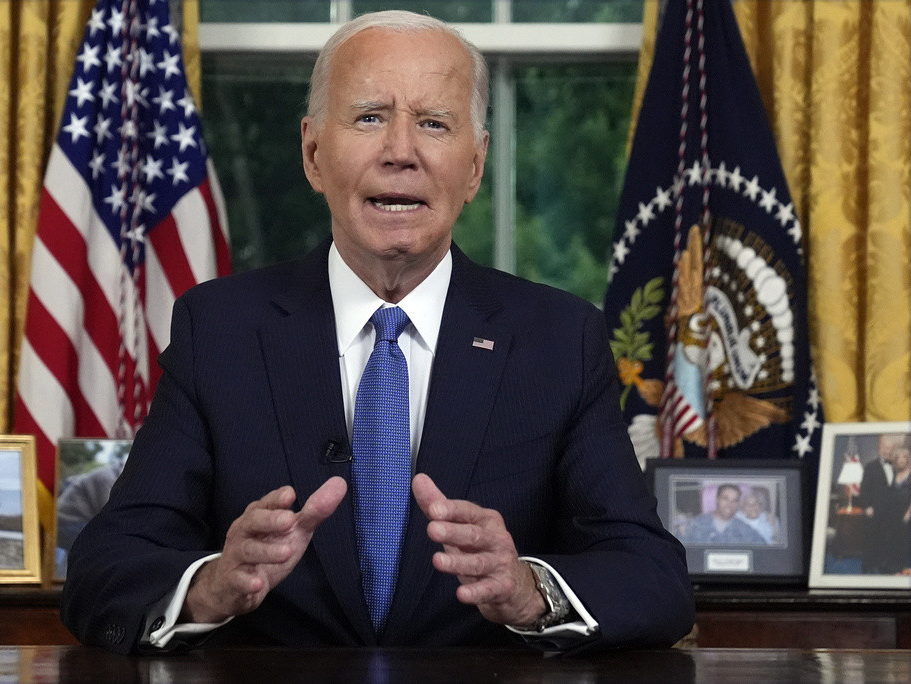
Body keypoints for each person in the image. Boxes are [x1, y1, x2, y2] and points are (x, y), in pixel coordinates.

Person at [62, 10, 693, 655]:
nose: (400, 152)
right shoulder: (219, 329)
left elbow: (653, 577)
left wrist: (532, 591)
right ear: (313, 153)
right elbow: (105, 566)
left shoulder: (560, 339)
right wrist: (211, 585)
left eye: (434, 124)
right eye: (369, 117)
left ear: (475, 167)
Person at [859, 433, 906, 573]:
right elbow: (864, 490)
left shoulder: (897, 467)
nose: (888, 451)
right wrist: (867, 507)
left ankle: (887, 566)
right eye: (885, 448)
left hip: (893, 512)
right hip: (876, 512)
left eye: (891, 449)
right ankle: (868, 567)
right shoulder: (870, 467)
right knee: (873, 541)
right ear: (879, 448)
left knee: (890, 541)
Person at [681, 484, 766, 545]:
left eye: (735, 500)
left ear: (738, 504)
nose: (729, 504)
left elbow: (764, 549)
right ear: (717, 499)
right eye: (725, 498)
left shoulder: (745, 530)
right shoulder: (695, 524)